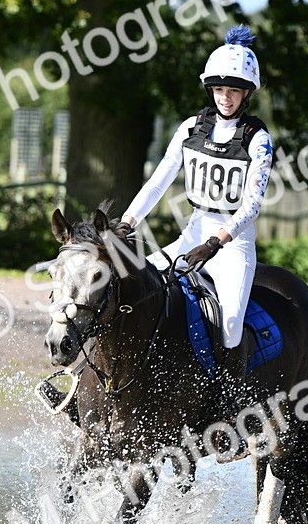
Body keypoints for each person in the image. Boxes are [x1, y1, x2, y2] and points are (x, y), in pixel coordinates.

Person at [114, 24, 273, 377]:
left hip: (233, 245)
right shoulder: (190, 129)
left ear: (247, 94)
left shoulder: (258, 140)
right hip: (193, 231)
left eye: (233, 90)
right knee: (132, 290)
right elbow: (158, 182)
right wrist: (128, 222)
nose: (225, 98)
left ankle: (228, 396)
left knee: (230, 325)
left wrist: (216, 243)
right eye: (219, 89)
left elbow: (251, 206)